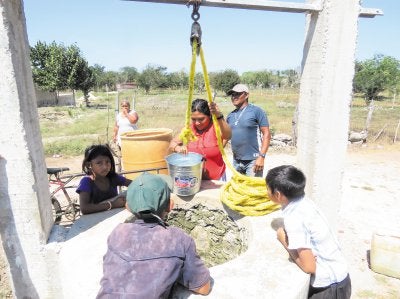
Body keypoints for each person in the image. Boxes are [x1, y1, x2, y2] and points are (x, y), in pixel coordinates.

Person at [97, 172, 211, 298]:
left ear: (127, 207)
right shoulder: (178, 239)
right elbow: (203, 288)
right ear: (170, 205)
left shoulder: (118, 233)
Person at [265, 165, 351, 299]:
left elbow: (309, 267)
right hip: (340, 279)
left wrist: (283, 240)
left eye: (267, 188)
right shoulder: (303, 202)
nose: (266, 192)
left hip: (330, 289)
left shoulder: (294, 218)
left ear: (278, 195)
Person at [169, 98, 231, 180]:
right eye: (193, 119)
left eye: (201, 119)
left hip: (217, 178)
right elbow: (172, 144)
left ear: (209, 116)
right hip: (194, 179)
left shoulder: (216, 128)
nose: (197, 123)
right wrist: (178, 148)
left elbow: (228, 136)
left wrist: (218, 115)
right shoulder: (189, 130)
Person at [226, 84, 271, 177]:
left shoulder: (256, 111)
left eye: (237, 94)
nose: (234, 97)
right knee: (238, 189)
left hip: (253, 161)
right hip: (236, 160)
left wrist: (261, 157)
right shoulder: (230, 115)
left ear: (246, 95)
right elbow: (226, 136)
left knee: (253, 190)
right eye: (232, 94)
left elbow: (266, 134)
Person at [76, 144, 132, 214]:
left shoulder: (113, 177)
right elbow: (84, 208)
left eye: (108, 162)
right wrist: (112, 204)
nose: (105, 167)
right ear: (89, 165)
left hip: (114, 216)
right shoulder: (87, 182)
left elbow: (134, 184)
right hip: (95, 221)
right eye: (99, 163)